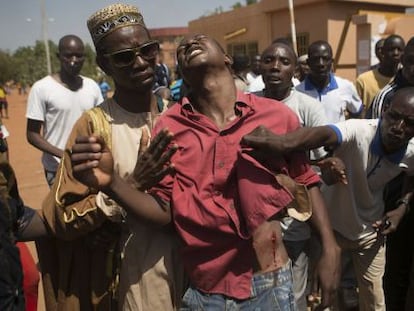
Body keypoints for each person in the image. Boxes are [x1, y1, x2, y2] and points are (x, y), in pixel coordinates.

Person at [70, 33, 340, 310]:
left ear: (227, 59)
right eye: (183, 48)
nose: (189, 44)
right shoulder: (169, 126)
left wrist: (330, 248)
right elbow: (165, 209)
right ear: (182, 73)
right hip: (204, 292)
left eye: (200, 39)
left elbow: (305, 181)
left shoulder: (277, 116)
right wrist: (112, 183)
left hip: (269, 282)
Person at [37, 4, 185, 311]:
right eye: (124, 57)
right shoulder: (94, 127)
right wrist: (131, 184)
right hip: (133, 276)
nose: (140, 62)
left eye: (147, 50)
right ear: (104, 64)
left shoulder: (180, 116)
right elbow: (64, 217)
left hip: (193, 271)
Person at [242, 86, 414, 311]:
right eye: (394, 117)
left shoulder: (410, 153)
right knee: (326, 297)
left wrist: (402, 207)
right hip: (331, 230)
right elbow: (322, 134)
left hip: (370, 234)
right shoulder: (359, 131)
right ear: (385, 111)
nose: (398, 128)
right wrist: (284, 142)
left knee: (374, 300)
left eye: (409, 123)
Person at [255, 40, 340, 310]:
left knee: (294, 292)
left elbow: (314, 168)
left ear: (295, 69)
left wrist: (329, 166)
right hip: (255, 221)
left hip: (294, 222)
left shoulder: (307, 107)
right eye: (269, 61)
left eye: (283, 62)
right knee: (260, 292)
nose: (275, 67)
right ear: (260, 66)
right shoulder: (247, 104)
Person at [365, 36, 414, 311]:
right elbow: (373, 151)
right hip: (394, 195)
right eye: (410, 61)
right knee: (395, 267)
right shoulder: (386, 98)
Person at [26, 34, 103, 188]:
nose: (74, 60)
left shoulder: (92, 86)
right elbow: (32, 134)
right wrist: (64, 155)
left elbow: (101, 123)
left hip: (90, 167)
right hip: (57, 170)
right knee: (63, 212)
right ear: (59, 56)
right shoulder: (41, 88)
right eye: (68, 55)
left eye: (79, 56)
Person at [296, 40, 363, 123]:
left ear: (332, 62)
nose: (321, 64)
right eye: (316, 59)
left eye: (325, 59)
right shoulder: (297, 92)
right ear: (308, 63)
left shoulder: (346, 87)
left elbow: (357, 114)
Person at [356, 35, 405, 116]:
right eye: (391, 49)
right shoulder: (363, 80)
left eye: (399, 50)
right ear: (382, 52)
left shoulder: (406, 80)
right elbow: (358, 111)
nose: (396, 53)